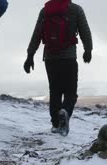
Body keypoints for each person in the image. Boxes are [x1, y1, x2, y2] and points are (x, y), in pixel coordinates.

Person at [24, 0, 93, 136]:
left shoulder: (45, 11)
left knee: (55, 91)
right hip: (68, 57)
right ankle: (65, 111)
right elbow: (85, 30)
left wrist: (30, 56)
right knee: (70, 91)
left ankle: (56, 124)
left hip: (50, 58)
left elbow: (37, 34)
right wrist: (88, 50)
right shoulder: (76, 9)